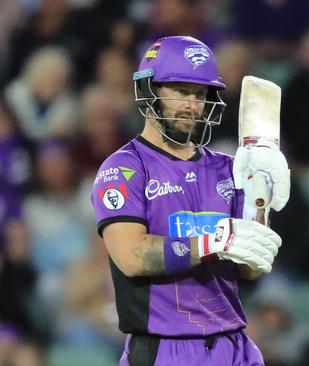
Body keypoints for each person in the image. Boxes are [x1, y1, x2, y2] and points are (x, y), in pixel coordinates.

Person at [90, 36, 290, 365]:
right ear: (151, 90)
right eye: (181, 91)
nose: (192, 104)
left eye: (200, 94)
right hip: (165, 349)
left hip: (233, 345)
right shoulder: (124, 168)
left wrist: (260, 200)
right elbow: (131, 256)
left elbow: (251, 269)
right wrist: (214, 241)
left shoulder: (229, 168)